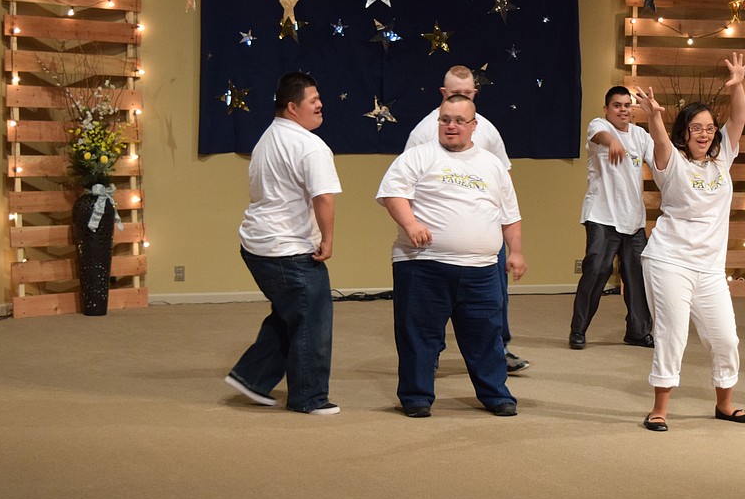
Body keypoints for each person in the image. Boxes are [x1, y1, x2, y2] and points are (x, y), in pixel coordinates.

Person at [378, 94, 526, 417]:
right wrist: (411, 223)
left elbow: (509, 215)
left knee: (486, 335)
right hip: (423, 266)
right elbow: (393, 194)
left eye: (459, 121)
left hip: (482, 270)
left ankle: (495, 393)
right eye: (445, 119)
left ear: (474, 126)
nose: (451, 126)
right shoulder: (417, 157)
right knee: (419, 335)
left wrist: (515, 251)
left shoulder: (492, 166)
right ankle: (416, 396)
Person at [633, 52, 745, 432]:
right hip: (669, 260)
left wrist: (737, 86)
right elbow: (659, 141)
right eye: (696, 128)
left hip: (709, 268)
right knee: (672, 336)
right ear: (684, 133)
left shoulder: (723, 159)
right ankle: (660, 408)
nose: (704, 134)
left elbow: (739, 119)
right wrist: (655, 116)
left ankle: (725, 404)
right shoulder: (671, 163)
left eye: (708, 128)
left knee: (726, 339)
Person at [224, 72, 342, 415]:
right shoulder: (311, 146)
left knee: (293, 313)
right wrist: (329, 240)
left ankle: (252, 377)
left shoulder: (269, 137)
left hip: (257, 246)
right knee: (313, 319)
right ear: (292, 107)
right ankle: (309, 398)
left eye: (319, 97)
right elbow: (324, 199)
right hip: (287, 250)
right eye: (313, 100)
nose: (320, 105)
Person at [406, 66, 528, 374]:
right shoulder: (423, 132)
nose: (462, 98)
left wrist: (513, 243)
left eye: (469, 93)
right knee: (432, 307)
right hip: (436, 242)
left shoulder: (486, 129)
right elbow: (404, 185)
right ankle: (430, 354)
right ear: (443, 94)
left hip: (485, 234)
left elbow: (504, 180)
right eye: (455, 94)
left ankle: (500, 348)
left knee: (494, 299)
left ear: (475, 94)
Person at [569, 86, 656, 350]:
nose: (623, 110)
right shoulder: (599, 125)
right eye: (617, 105)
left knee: (637, 277)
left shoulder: (641, 136)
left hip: (634, 220)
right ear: (607, 109)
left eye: (627, 105)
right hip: (602, 216)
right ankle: (578, 330)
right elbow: (600, 135)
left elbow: (660, 161)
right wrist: (613, 141)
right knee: (596, 270)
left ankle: (638, 332)